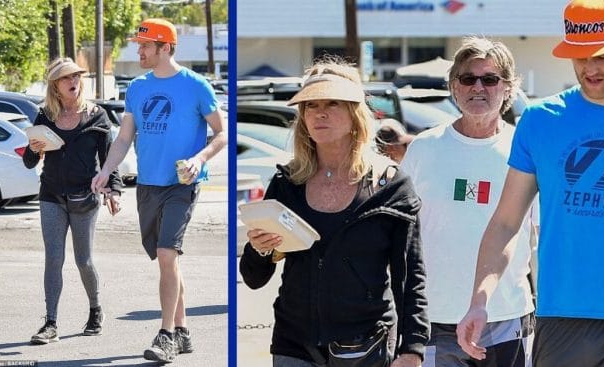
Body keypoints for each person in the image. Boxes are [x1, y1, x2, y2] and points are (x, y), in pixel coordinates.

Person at [456, 1, 604, 366]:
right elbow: (506, 222)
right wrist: (479, 300)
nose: (589, 67)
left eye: (601, 56)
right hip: (559, 318)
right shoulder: (540, 120)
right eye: (579, 56)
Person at [239, 57, 429, 367]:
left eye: (333, 103)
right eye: (311, 105)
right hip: (294, 344)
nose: (320, 112)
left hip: (367, 346)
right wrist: (261, 250)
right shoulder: (287, 183)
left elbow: (411, 276)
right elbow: (253, 277)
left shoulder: (391, 186)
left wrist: (412, 349)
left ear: (355, 114)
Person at [90, 18, 227, 363]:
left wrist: (199, 159)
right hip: (148, 184)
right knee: (167, 260)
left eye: (145, 46)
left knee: (168, 254)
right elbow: (124, 138)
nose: (139, 51)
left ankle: (165, 335)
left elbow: (222, 133)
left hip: (182, 184)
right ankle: (182, 330)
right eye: (139, 45)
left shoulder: (196, 86)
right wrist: (106, 170)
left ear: (166, 48)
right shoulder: (136, 87)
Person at [401, 36, 536, 367]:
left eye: (490, 79)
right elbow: (399, 230)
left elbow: (540, 235)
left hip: (507, 316)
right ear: (454, 86)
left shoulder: (525, 150)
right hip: (435, 317)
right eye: (468, 78)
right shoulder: (424, 148)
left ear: (508, 88)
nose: (479, 87)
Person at [23, 57, 123, 344]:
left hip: (85, 198)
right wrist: (33, 149)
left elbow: (109, 161)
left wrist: (112, 191)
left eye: (77, 77)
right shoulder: (44, 117)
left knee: (84, 261)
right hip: (52, 196)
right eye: (67, 78)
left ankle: (95, 310)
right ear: (55, 86)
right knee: (53, 260)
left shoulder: (97, 116)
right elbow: (30, 161)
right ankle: (50, 323)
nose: (73, 82)